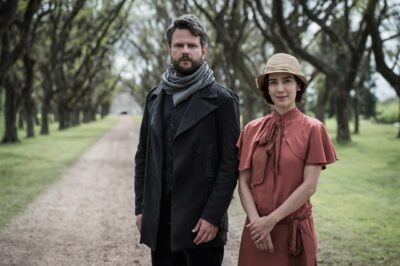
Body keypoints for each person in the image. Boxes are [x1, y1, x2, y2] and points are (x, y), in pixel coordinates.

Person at [134, 14, 240, 266]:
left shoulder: (223, 100)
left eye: (192, 46)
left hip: (200, 224)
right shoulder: (155, 97)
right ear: (168, 49)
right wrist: (141, 208)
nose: (185, 51)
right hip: (160, 220)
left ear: (203, 50)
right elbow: (143, 157)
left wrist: (213, 217)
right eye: (179, 45)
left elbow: (230, 164)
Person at [236, 53, 338, 265]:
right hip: (257, 233)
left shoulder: (313, 129)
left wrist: (270, 221)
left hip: (294, 233)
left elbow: (309, 186)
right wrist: (257, 224)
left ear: (299, 85)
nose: (280, 89)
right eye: (273, 82)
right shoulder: (251, 129)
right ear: (267, 88)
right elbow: (243, 182)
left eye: (287, 80)